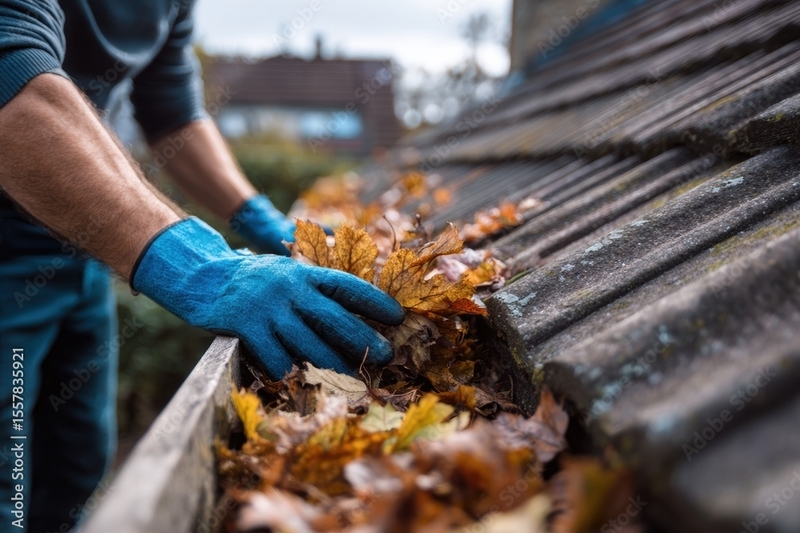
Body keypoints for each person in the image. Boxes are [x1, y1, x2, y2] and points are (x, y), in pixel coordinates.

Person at [0, 1, 404, 531]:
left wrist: (262, 220)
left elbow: (173, 114)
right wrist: (198, 266)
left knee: (75, 468)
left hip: (85, 252)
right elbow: (12, 85)